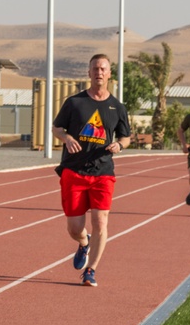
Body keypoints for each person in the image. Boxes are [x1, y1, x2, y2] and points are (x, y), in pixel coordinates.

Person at [51, 54, 131, 287]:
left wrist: (120, 145)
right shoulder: (75, 103)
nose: (99, 72)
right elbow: (56, 128)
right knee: (75, 227)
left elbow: (126, 136)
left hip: (103, 171)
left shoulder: (117, 107)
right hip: (74, 171)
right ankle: (84, 243)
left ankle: (91, 270)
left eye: (103, 69)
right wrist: (66, 138)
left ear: (109, 74)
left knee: (101, 221)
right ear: (89, 72)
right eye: (95, 68)